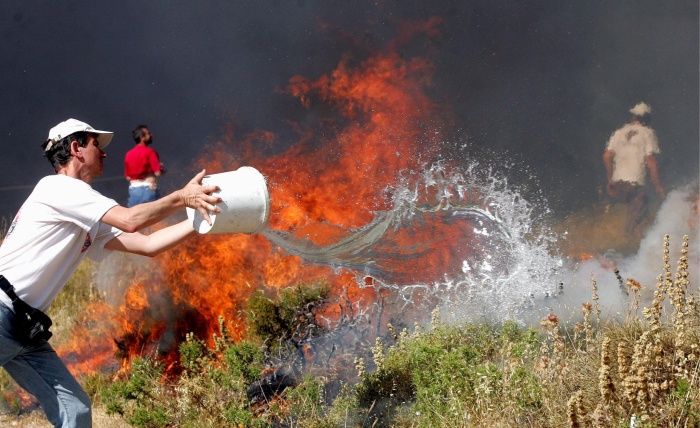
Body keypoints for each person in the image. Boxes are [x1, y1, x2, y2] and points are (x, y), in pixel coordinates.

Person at [0, 118, 221, 427]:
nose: (104, 153)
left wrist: (207, 219)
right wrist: (182, 197)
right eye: (96, 145)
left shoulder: (81, 210)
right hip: (2, 313)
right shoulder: (59, 188)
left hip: (24, 328)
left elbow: (148, 244)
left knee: (74, 408)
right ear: (76, 149)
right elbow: (131, 220)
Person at [603, 102, 665, 240]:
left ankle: (629, 242)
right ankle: (631, 244)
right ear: (648, 118)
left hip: (618, 182)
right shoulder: (648, 133)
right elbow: (651, 161)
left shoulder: (619, 132)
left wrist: (610, 179)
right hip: (635, 182)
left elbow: (607, 156)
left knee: (639, 211)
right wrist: (658, 185)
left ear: (633, 117)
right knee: (639, 215)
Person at [124, 124, 165, 206]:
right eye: (148, 133)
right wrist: (161, 168)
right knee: (155, 216)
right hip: (148, 189)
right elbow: (158, 172)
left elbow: (128, 177)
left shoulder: (128, 154)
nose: (151, 135)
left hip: (134, 191)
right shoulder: (150, 152)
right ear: (142, 137)